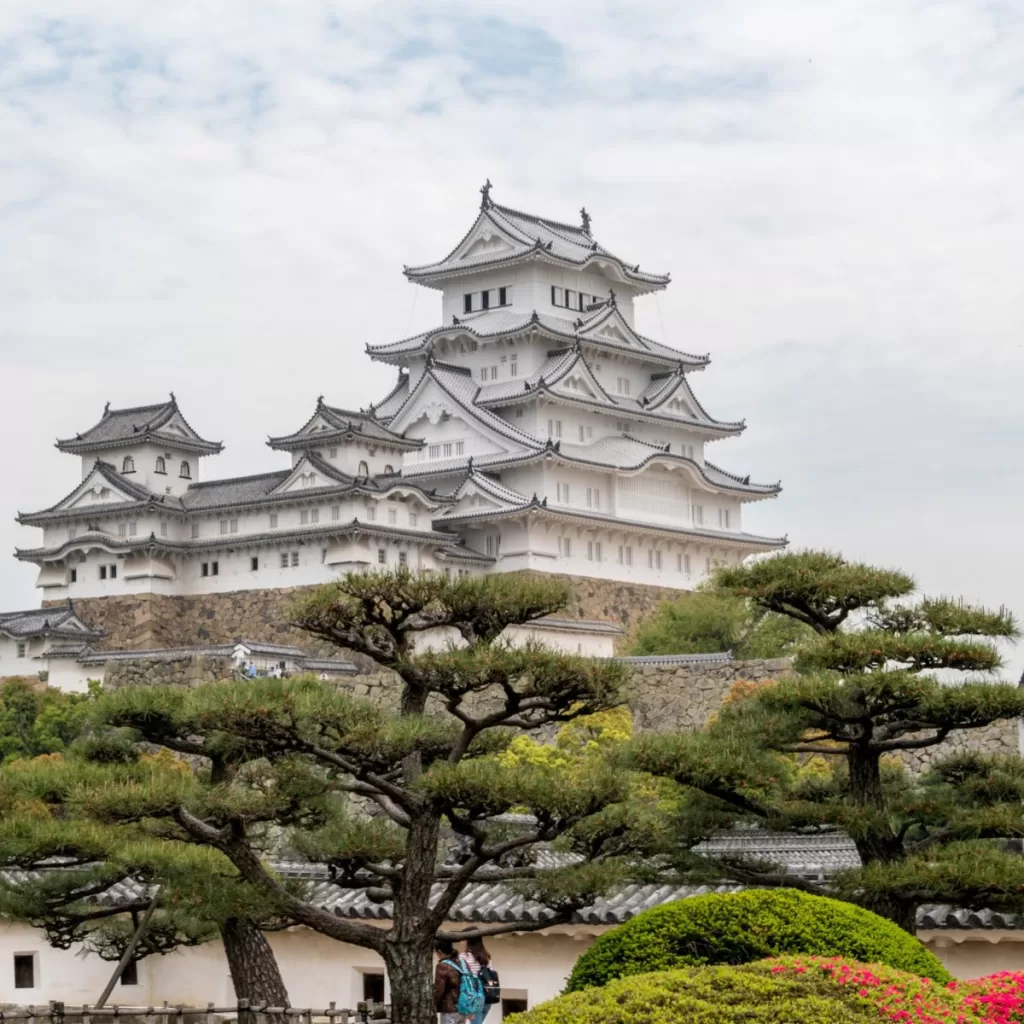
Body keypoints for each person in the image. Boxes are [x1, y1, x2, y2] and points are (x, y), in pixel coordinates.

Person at [459, 934, 494, 1024]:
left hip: (474, 997)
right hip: (487, 996)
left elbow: (464, 978)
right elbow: (490, 974)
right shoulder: (486, 956)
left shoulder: (464, 957)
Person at [434, 938, 463, 1024]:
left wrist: (432, 1004)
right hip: (462, 1008)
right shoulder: (459, 962)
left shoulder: (442, 966)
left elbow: (439, 989)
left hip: (449, 1008)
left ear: (439, 951)